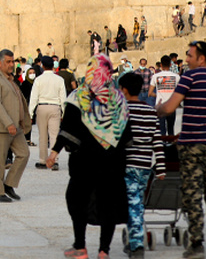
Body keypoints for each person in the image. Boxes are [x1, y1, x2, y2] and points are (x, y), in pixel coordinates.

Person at [48, 55, 130, 259]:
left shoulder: (79, 97)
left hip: (84, 161)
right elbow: (127, 135)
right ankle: (104, 251)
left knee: (77, 201)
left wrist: (54, 152)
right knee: (108, 204)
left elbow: (68, 129)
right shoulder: (118, 99)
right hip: (112, 161)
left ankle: (81, 246)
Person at [156, 40, 206, 258]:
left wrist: (157, 110)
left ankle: (197, 243)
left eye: (189, 56)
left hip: (192, 144)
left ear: (201, 58)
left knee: (192, 192)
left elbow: (169, 107)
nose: (186, 60)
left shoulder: (190, 77)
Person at [118, 71, 166, 259]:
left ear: (125, 90)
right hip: (145, 165)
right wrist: (160, 167)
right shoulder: (149, 110)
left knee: (133, 204)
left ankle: (137, 245)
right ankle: (133, 240)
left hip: (128, 164)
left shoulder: (122, 110)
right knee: (136, 202)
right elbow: (157, 141)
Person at [0, 49, 31, 202]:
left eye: (13, 61)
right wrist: (8, 123)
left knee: (24, 154)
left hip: (15, 127)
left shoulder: (10, 79)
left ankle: (9, 184)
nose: (11, 64)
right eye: (8, 62)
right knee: (0, 160)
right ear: (0, 63)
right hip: (2, 127)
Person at [29, 55, 67, 170]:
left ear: (43, 66)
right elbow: (63, 98)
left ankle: (42, 160)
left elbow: (33, 98)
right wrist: (64, 113)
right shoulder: (59, 80)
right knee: (54, 135)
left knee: (43, 136)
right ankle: (54, 160)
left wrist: (30, 113)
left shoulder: (38, 79)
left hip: (42, 107)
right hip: (55, 107)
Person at [149, 54, 179, 137]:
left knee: (161, 130)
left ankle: (162, 147)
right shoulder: (176, 77)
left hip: (160, 106)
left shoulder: (155, 76)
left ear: (161, 65)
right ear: (170, 64)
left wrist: (158, 94)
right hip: (171, 106)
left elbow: (150, 93)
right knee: (171, 129)